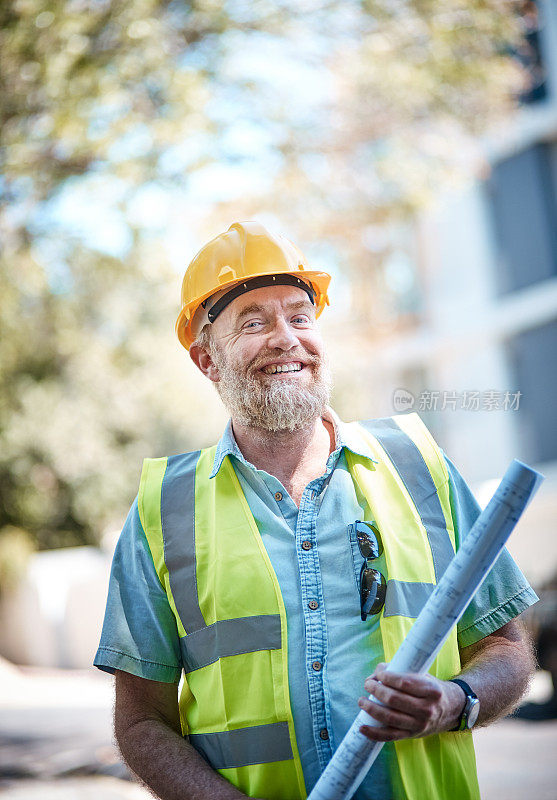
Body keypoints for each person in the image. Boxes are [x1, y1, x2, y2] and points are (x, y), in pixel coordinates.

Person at [94, 221, 538, 800]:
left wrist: (457, 701)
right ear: (207, 361)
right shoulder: (164, 508)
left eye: (300, 317)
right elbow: (142, 721)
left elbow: (504, 647)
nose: (286, 338)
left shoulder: (417, 466)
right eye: (253, 323)